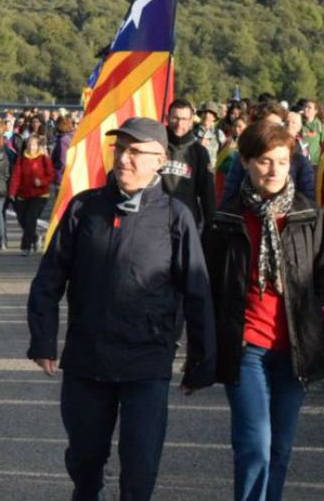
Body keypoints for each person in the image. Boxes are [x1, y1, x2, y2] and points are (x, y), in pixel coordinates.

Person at [27, 117, 216, 501]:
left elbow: (197, 292)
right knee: (85, 459)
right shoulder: (85, 208)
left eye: (136, 152)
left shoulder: (175, 216)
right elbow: (49, 279)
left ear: (160, 160)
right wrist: (43, 339)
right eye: (120, 150)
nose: (125, 160)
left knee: (140, 465)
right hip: (88, 359)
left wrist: (201, 362)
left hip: (146, 361)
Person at [203, 121, 324, 501]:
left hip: (296, 349)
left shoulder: (307, 216)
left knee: (279, 449)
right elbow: (206, 285)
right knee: (254, 446)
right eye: (264, 161)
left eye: (282, 162)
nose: (273, 170)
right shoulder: (225, 220)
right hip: (247, 349)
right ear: (246, 163)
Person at [162, 99, 217, 231]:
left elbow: (207, 192)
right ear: (167, 117)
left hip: (187, 220)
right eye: (175, 118)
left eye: (184, 119)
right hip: (157, 218)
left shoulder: (199, 152)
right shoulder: (156, 146)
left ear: (191, 121)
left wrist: (210, 225)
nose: (179, 124)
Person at [9, 134, 54, 255]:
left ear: (38, 146)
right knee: (22, 219)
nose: (31, 147)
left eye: (34, 145)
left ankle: (26, 247)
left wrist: (42, 181)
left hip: (40, 194)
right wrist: (12, 191)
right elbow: (16, 176)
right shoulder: (22, 158)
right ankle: (34, 237)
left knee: (30, 219)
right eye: (29, 144)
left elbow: (51, 175)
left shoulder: (44, 157)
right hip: (23, 194)